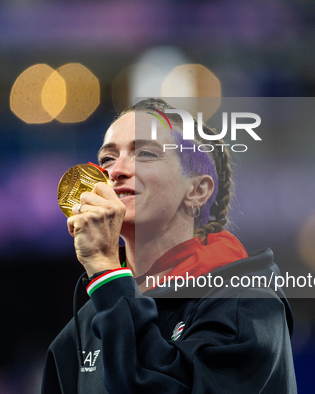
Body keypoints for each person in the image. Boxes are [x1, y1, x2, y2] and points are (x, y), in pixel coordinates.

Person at [41, 98, 297, 393]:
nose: (116, 171)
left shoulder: (246, 303)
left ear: (198, 190)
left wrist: (106, 270)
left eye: (145, 153)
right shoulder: (83, 329)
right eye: (107, 159)